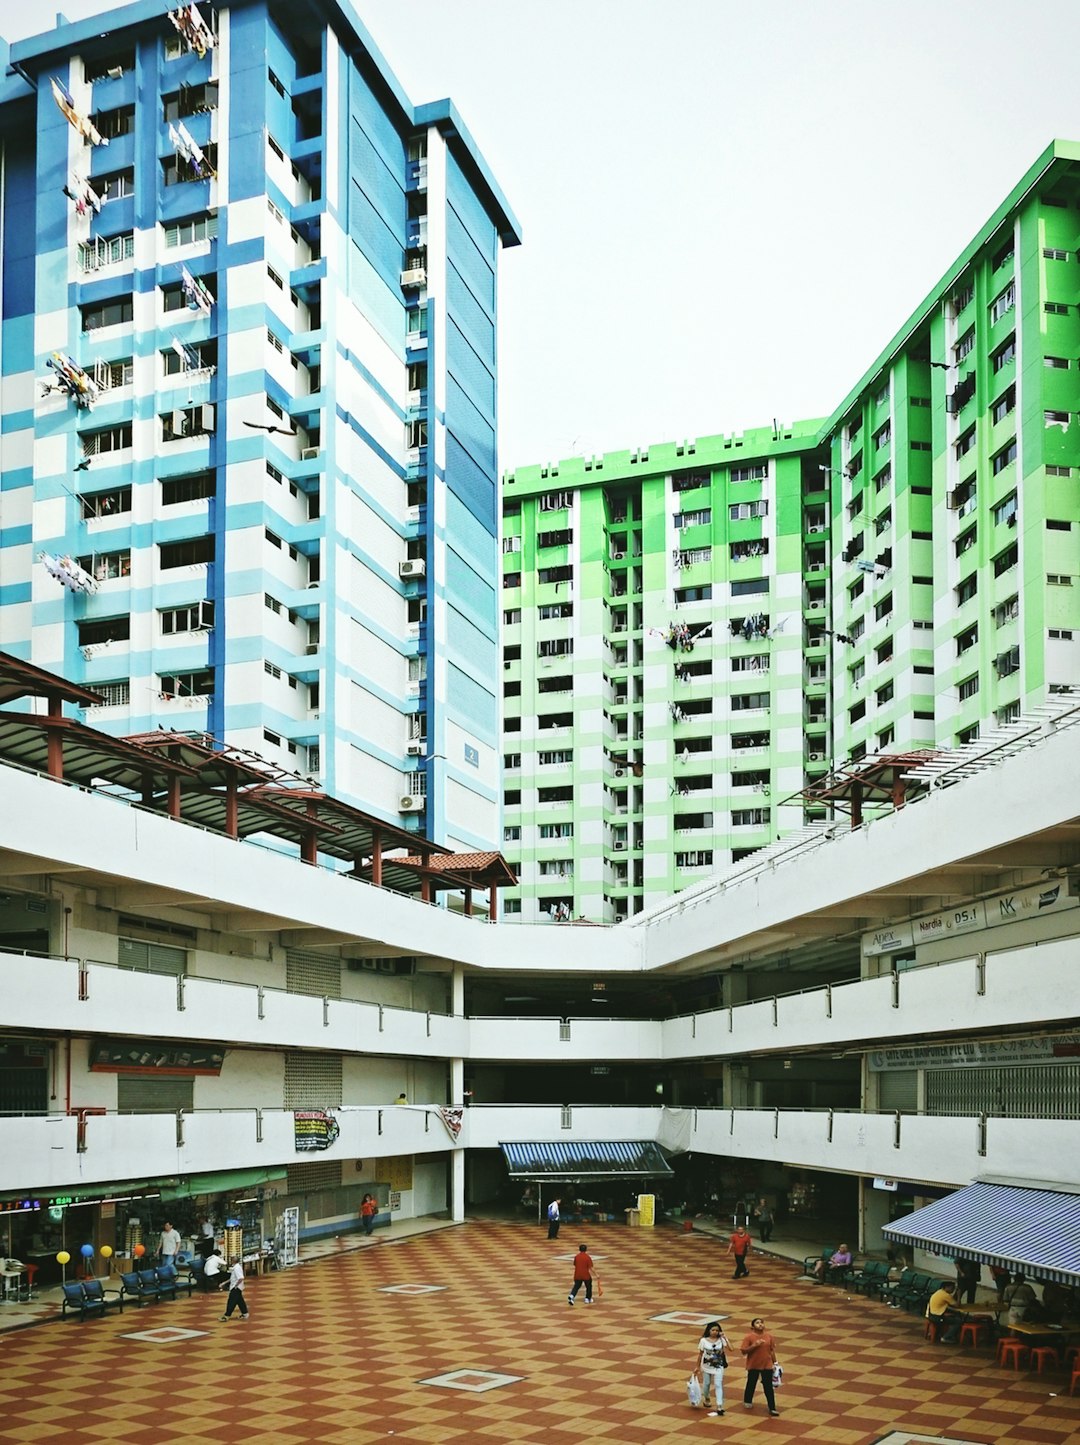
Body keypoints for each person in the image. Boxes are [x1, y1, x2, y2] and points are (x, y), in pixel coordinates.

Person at [740, 1316, 780, 1415]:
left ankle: (772, 1407)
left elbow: (771, 1351)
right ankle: (747, 1400)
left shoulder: (769, 1336)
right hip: (754, 1365)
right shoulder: (749, 1337)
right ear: (753, 1326)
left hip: (767, 1365)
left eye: (762, 1322)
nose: (760, 1324)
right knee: (751, 1383)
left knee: (768, 1387)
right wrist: (754, 1345)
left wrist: (775, 1363)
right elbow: (743, 1351)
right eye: (757, 1323)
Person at [695, 1320, 730, 1416]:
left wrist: (725, 1338)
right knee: (706, 1384)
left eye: (717, 1330)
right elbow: (700, 1354)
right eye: (713, 1330)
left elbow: (731, 1349)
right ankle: (707, 1398)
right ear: (708, 1331)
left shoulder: (721, 1340)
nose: (715, 1332)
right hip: (706, 1366)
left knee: (718, 1384)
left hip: (719, 1366)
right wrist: (697, 1367)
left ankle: (719, 1405)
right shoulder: (703, 1341)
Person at [220, 1256, 249, 1321]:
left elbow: (241, 1278)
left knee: (231, 1301)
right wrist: (224, 1283)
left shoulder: (236, 1268)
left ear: (233, 1261)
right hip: (237, 1287)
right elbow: (232, 1278)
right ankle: (245, 1313)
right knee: (240, 1301)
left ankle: (227, 1315)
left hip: (236, 1288)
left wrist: (236, 1285)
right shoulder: (236, 1267)